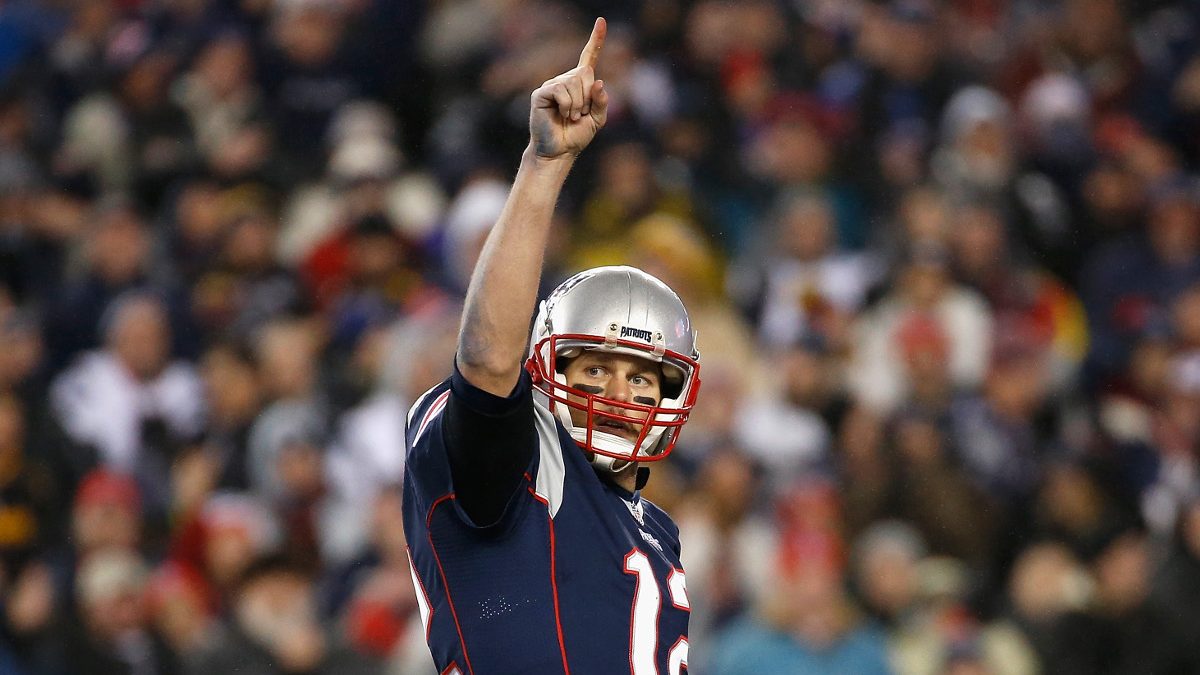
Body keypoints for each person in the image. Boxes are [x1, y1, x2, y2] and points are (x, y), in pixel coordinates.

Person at [401, 18, 702, 674]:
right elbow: (485, 362)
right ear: (545, 364)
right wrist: (545, 164)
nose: (623, 393)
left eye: (645, 378)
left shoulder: (655, 527)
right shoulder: (521, 470)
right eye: (597, 367)